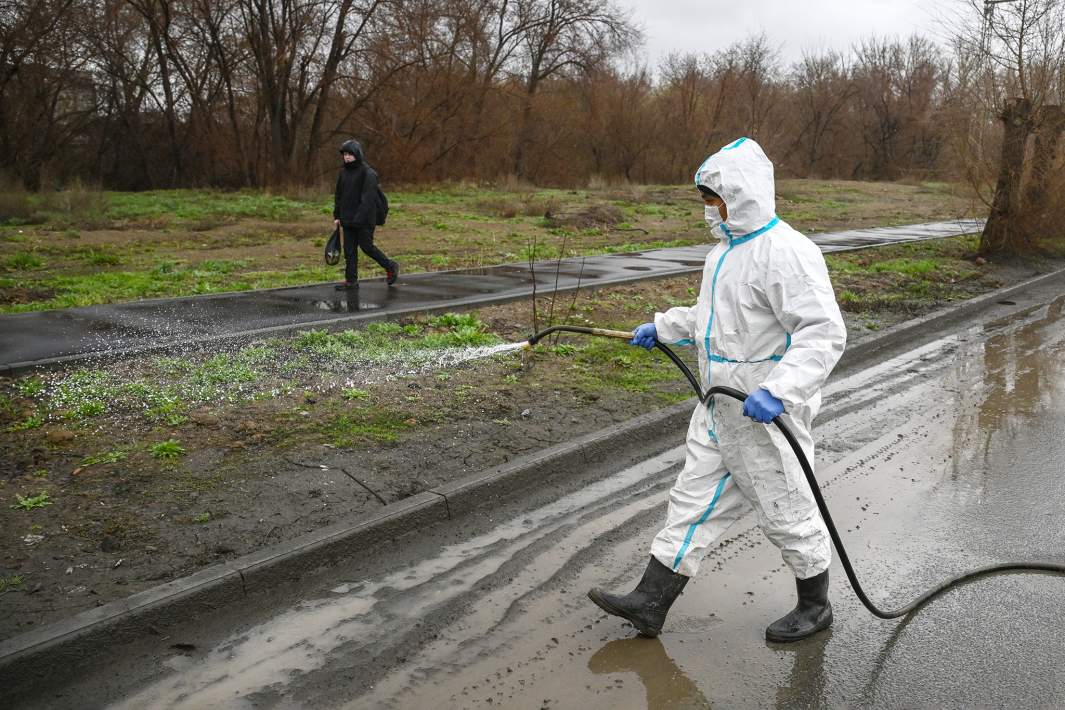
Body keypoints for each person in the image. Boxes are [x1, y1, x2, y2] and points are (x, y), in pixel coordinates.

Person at [587, 137, 847, 643]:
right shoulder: (722, 255)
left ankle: (815, 606)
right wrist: (663, 327)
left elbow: (823, 331)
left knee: (786, 506)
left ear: (743, 194)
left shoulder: (788, 253)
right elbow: (712, 318)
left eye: (715, 197)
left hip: (763, 411)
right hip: (718, 404)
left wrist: (780, 390)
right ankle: (650, 601)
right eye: (705, 198)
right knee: (692, 499)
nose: (709, 209)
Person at [333, 139, 398, 289]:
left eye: (350, 154)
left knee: (367, 247)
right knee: (349, 251)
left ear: (358, 154)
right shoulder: (343, 172)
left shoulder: (368, 173)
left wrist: (358, 219)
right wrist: (337, 215)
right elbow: (339, 195)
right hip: (347, 219)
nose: (347, 157)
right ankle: (351, 281)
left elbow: (368, 200)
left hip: (365, 219)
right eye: (345, 154)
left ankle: (390, 266)